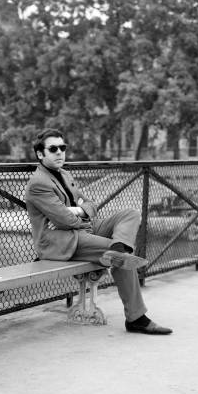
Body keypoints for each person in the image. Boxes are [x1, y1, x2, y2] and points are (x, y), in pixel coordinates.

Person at [24, 128, 172, 335]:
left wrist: (78, 210)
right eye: (53, 149)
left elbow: (92, 205)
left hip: (85, 230)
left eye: (63, 148)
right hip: (61, 241)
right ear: (41, 154)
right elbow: (65, 221)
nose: (60, 152)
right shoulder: (38, 184)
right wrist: (80, 210)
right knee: (122, 258)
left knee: (129, 214)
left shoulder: (65, 174)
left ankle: (120, 246)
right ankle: (137, 318)